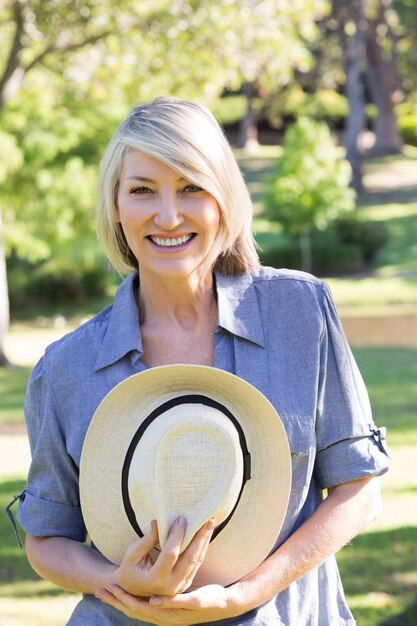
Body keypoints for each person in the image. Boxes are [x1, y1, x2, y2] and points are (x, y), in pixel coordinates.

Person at [15, 96, 390, 625]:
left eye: (191, 187)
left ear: (223, 198)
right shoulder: (66, 367)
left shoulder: (300, 313)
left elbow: (358, 490)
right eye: (142, 190)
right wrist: (116, 580)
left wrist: (245, 595)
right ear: (116, 206)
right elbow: (47, 536)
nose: (168, 216)